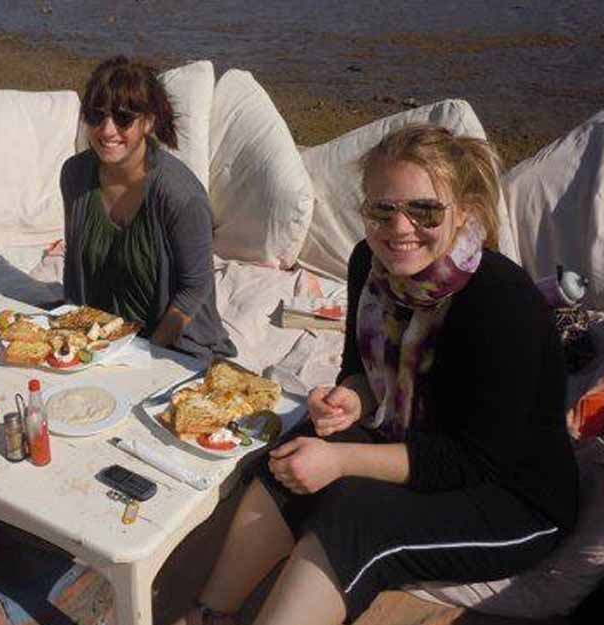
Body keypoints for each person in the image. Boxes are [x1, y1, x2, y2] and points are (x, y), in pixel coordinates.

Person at [178, 124, 578, 625]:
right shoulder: (368, 262)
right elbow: (358, 369)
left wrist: (344, 459)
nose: (400, 227)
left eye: (424, 210)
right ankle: (209, 614)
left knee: (354, 515)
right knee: (292, 460)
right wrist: (353, 399)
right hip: (413, 435)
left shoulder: (501, 301)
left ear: (464, 213)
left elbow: (474, 461)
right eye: (382, 210)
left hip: (512, 498)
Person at [60, 56, 235, 365]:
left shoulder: (180, 195)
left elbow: (195, 288)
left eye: (123, 118)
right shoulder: (75, 175)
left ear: (148, 122)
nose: (107, 130)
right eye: (96, 116)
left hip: (172, 345)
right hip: (101, 340)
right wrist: (72, 332)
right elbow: (74, 263)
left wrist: (145, 353)